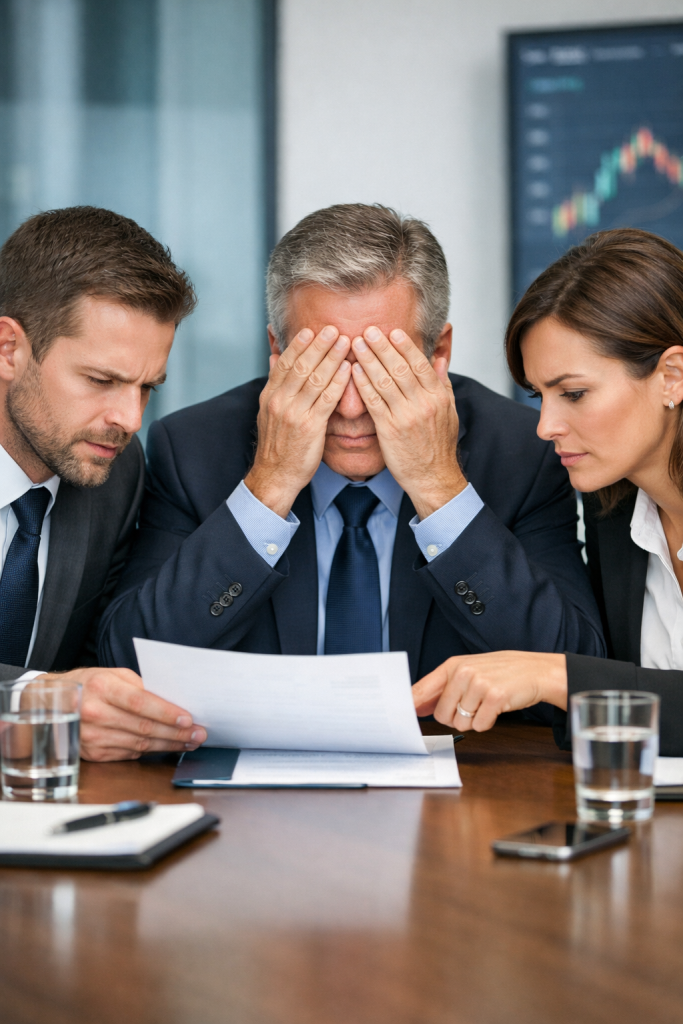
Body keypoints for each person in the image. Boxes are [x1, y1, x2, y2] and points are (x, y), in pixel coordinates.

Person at [96, 202, 602, 756]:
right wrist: (268, 484)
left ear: (439, 353)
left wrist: (440, 486)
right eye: (325, 368)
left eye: (383, 368)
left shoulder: (521, 452)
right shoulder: (194, 448)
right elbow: (126, 664)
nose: (354, 407)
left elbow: (576, 671)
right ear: (276, 354)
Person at [412, 227, 683, 756]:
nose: (545, 426)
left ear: (672, 376)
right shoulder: (615, 507)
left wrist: (557, 677)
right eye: (540, 395)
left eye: (574, 393)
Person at [0, 206, 208, 760]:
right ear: (9, 349)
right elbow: (53, 693)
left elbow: (94, 664)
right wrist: (30, 703)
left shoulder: (115, 471)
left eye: (147, 388)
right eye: (101, 380)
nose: (130, 418)